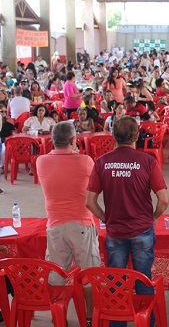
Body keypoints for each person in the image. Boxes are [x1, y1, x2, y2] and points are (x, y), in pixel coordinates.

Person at [86, 116, 169, 327]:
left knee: (116, 283)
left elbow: (90, 202)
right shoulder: (148, 161)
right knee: (143, 280)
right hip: (142, 230)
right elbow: (164, 200)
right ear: (137, 136)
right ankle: (147, 322)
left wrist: (107, 218)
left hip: (116, 232)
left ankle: (118, 323)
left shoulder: (102, 162)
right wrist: (154, 218)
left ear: (113, 135)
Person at [37, 122, 99, 327]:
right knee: (88, 274)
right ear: (74, 141)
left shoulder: (41, 162)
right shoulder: (86, 161)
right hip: (81, 224)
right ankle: (90, 317)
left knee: (56, 275)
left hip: (55, 225)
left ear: (52, 141)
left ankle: (58, 315)